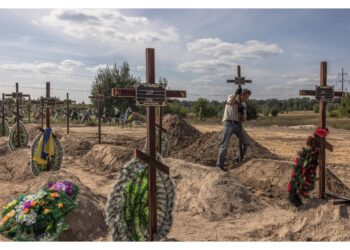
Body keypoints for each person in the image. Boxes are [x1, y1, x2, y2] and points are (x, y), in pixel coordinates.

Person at [216, 88, 252, 171]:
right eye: (246, 96)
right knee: (224, 145)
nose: (247, 98)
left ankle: (238, 159)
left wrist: (242, 113)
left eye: (248, 97)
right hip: (228, 123)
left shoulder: (244, 104)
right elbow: (230, 103)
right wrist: (236, 94)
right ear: (242, 94)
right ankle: (219, 166)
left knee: (246, 142)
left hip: (238, 125)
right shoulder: (231, 97)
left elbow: (243, 120)